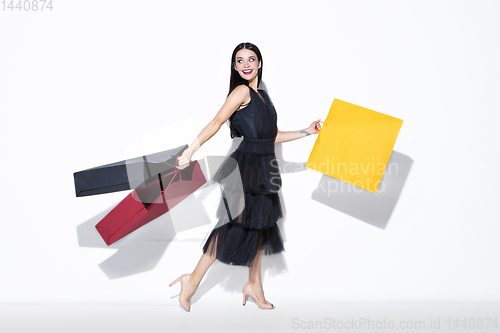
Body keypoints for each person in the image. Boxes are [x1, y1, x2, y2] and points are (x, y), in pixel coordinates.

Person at [169, 42, 322, 311]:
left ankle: (254, 285)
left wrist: (306, 132)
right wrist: (191, 149)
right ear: (235, 67)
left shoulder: (263, 96)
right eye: (240, 61)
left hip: (264, 167)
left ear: (260, 63)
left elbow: (270, 137)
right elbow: (216, 122)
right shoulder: (240, 91)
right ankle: (191, 282)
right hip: (246, 168)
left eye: (251, 59)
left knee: (260, 226)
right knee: (231, 227)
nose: (246, 64)